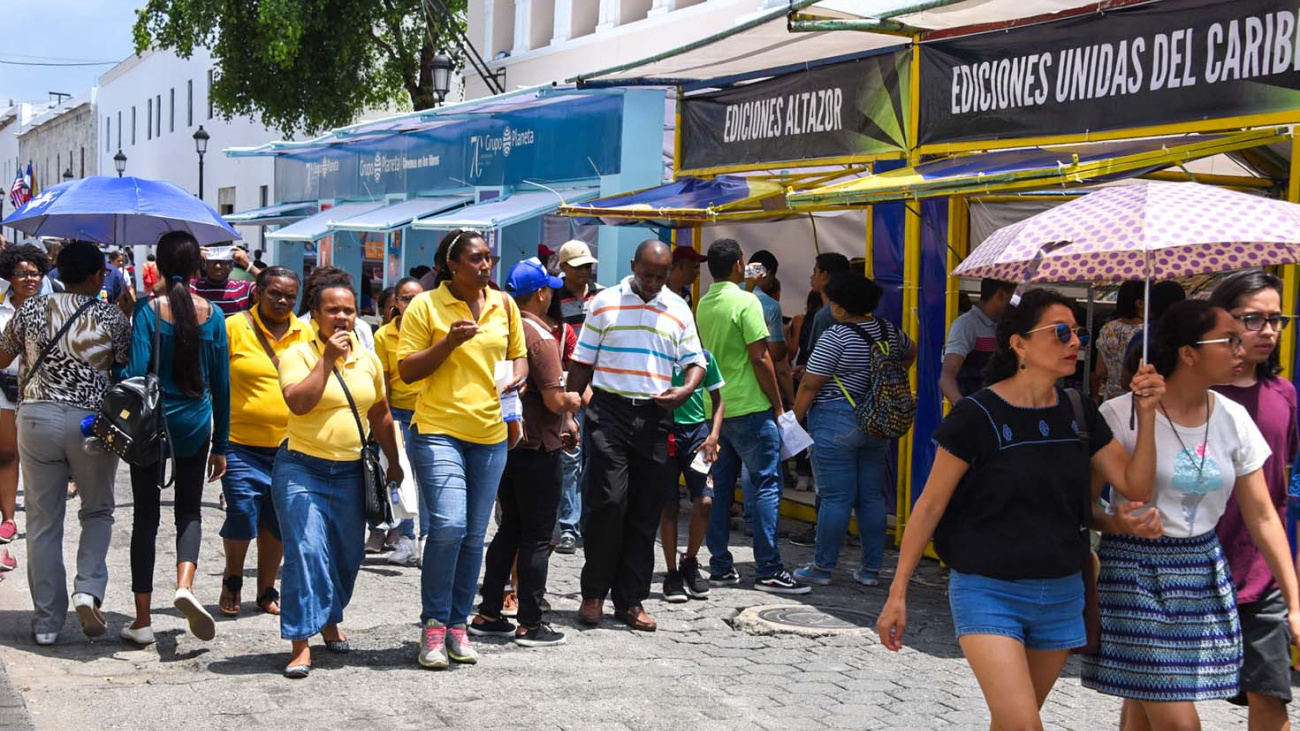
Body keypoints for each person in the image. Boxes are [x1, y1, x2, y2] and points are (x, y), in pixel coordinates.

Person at [877, 288, 1164, 730]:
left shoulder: (1078, 410)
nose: (1075, 343)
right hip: (988, 590)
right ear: (1019, 345)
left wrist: (1147, 416)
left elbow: (1135, 484)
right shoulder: (977, 415)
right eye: (1061, 332)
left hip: (1063, 589)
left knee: (1014, 720)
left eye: (1078, 334)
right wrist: (898, 594)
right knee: (1023, 724)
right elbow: (930, 506)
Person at [1086, 300, 1300, 729]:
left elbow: (1262, 515)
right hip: (1133, 574)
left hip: (1202, 571)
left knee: (1144, 714)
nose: (1243, 348)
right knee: (1179, 722)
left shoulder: (1234, 418)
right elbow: (1084, 507)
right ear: (1188, 353)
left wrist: (1295, 601)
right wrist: (1118, 522)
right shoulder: (1119, 415)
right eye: (1230, 340)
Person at [398, 229, 526, 668]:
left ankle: (457, 625)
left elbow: (518, 354)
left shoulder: (504, 304)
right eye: (476, 259)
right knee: (449, 526)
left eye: (489, 257)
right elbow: (408, 370)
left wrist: (518, 379)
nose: (486, 265)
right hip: (438, 429)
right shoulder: (425, 305)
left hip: (490, 432)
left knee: (475, 536)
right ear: (452, 264)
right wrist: (448, 343)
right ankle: (432, 625)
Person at [566, 239, 703, 631]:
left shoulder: (678, 308)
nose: (653, 283)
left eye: (660, 277)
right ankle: (593, 594)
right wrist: (570, 416)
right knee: (608, 503)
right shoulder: (604, 303)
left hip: (656, 416)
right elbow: (582, 364)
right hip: (609, 412)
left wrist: (686, 388)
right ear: (632, 266)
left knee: (645, 510)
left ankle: (631, 600)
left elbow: (695, 362)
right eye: (647, 275)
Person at [0, 242, 131, 645]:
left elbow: (2, 358)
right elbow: (122, 367)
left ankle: (46, 623)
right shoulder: (111, 316)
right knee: (97, 511)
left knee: (42, 521)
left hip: (37, 417)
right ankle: (88, 589)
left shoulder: (31, 310)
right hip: (89, 423)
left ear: (58, 272)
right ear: (97, 277)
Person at [274, 269, 402, 678]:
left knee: (348, 556)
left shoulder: (368, 358)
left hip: (351, 473)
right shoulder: (297, 354)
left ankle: (330, 616)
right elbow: (298, 403)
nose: (342, 318)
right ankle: (300, 641)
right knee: (306, 551)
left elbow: (380, 413)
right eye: (333, 310)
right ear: (314, 314)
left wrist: (394, 461)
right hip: (301, 469)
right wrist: (327, 360)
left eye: (349, 310)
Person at [119, 231, 230, 646]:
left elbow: (134, 371)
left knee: (145, 518)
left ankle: (143, 620)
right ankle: (185, 584)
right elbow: (222, 386)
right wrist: (222, 446)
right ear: (198, 268)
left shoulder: (149, 311)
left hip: (152, 425)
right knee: (189, 511)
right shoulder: (214, 315)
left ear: (159, 267)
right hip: (196, 424)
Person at [1206, 271, 1299, 730]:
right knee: (1155, 699)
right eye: (1253, 319)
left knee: (1270, 697)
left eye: (1276, 318)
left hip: (1261, 574)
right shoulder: (1190, 394)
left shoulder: (1284, 394)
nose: (1268, 331)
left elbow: (1276, 484)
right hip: (1191, 568)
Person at [472, 258, 580, 647]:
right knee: (537, 535)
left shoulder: (502, 329)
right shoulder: (539, 336)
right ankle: (531, 622)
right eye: (550, 288)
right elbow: (554, 400)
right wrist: (578, 399)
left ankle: (488, 612)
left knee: (510, 528)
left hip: (507, 441)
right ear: (541, 293)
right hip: (537, 446)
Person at [696, 239, 807, 595]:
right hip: (750, 406)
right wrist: (778, 406)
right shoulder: (747, 301)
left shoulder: (704, 302)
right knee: (765, 486)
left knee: (721, 488)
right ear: (739, 264)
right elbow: (761, 358)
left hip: (716, 409)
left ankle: (719, 565)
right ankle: (769, 568)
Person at [792, 273, 915, 587]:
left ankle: (822, 568)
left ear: (841, 306)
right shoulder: (889, 331)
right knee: (871, 498)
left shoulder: (836, 336)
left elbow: (810, 384)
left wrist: (793, 420)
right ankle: (871, 570)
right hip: (877, 419)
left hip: (836, 420)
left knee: (835, 498)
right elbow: (910, 352)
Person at [218, 265, 313, 618]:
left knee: (276, 520)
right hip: (239, 442)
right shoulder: (233, 328)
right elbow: (213, 379)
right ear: (257, 292)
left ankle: (266, 588)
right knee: (242, 512)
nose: (283, 300)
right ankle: (232, 576)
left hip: (292, 445)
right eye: (275, 292)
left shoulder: (307, 332)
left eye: (290, 295)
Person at [0, 244, 52, 571]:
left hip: (41, 391)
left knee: (40, 458)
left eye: (34, 272)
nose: (28, 278)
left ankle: (39, 516)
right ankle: (8, 518)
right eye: (21, 273)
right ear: (10, 276)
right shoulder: (1, 310)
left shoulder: (51, 309)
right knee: (7, 455)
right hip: (4, 391)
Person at [551, 239, 604, 556]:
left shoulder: (603, 296)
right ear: (565, 267)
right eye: (580, 265)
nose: (586, 270)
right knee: (570, 459)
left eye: (588, 265)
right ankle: (569, 527)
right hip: (570, 389)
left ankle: (589, 523)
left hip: (602, 390)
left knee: (596, 460)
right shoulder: (554, 299)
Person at [659, 348, 724, 603]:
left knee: (705, 501)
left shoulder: (704, 358)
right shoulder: (658, 354)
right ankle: (672, 573)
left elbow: (718, 400)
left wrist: (714, 435)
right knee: (668, 505)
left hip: (698, 435)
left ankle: (690, 559)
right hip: (665, 433)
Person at [374, 277, 426, 567]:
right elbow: (384, 382)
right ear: (395, 303)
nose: (411, 304)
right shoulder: (384, 336)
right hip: (400, 415)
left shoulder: (433, 331)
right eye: (405, 298)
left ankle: (427, 539)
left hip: (430, 414)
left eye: (417, 298)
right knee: (402, 480)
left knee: (428, 481)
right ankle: (406, 539)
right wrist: (386, 418)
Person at [938, 278, 1015, 405]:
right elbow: (946, 377)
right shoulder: (965, 325)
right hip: (976, 407)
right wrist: (964, 409)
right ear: (1000, 295)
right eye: (1012, 297)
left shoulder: (1004, 326)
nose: (1014, 304)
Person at [1119, 280, 1188, 392]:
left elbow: (1126, 381)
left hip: (1144, 399)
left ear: (1150, 306)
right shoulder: (1193, 337)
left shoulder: (1143, 338)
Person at [1092, 280, 1145, 402]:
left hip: (1112, 399)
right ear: (1140, 303)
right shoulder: (1146, 332)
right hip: (1138, 399)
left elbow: (1100, 371)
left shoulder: (1107, 328)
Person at [299, 267, 375, 351]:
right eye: (332, 310)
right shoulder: (299, 329)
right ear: (316, 312)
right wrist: (329, 357)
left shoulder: (362, 329)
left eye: (348, 311)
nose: (341, 316)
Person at [806, 253, 851, 350]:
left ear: (824, 275)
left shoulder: (824, 316)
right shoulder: (854, 309)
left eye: (815, 272)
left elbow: (818, 357)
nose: (811, 277)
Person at [193, 247, 254, 314]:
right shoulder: (193, 287)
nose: (218, 266)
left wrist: (248, 264)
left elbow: (267, 284)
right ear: (204, 265)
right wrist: (191, 255)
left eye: (224, 262)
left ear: (231, 266)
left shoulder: (243, 288)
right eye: (213, 261)